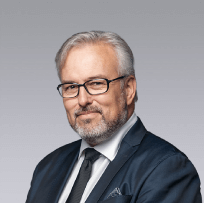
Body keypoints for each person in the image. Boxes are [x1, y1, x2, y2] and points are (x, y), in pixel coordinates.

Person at [26, 31, 202, 203]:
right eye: (71, 87)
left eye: (96, 83)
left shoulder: (167, 168)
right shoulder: (47, 168)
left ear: (128, 89)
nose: (82, 100)